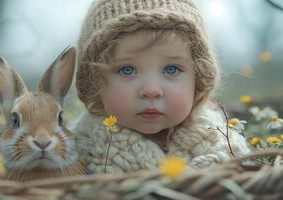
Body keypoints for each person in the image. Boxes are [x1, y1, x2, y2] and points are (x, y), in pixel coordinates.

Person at [73, 0, 251, 173]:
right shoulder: (74, 156)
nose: (151, 90)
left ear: (198, 78)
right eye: (127, 70)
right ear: (95, 83)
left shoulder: (223, 146)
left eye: (171, 69)